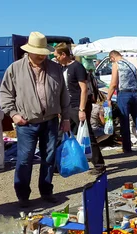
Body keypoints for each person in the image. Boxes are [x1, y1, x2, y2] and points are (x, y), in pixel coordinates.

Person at [0, 32, 71, 208]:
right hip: (27, 123)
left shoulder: (55, 69)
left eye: (43, 52)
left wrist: (66, 117)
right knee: (24, 160)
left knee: (49, 158)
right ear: (29, 51)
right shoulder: (15, 69)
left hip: (51, 120)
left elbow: (63, 94)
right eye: (37, 52)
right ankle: (23, 195)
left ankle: (46, 191)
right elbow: (5, 94)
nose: (41, 56)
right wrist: (14, 114)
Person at [53, 43, 106, 175]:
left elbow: (83, 89)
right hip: (66, 106)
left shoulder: (77, 67)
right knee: (60, 135)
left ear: (63, 55)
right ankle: (56, 164)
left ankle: (99, 165)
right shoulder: (61, 68)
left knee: (88, 135)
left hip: (77, 105)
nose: (55, 59)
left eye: (57, 56)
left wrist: (81, 109)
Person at [106, 50, 137, 153]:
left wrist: (108, 98)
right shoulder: (131, 65)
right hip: (135, 93)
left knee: (124, 120)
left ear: (112, 57)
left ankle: (127, 147)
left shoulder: (117, 64)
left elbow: (113, 83)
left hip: (124, 94)